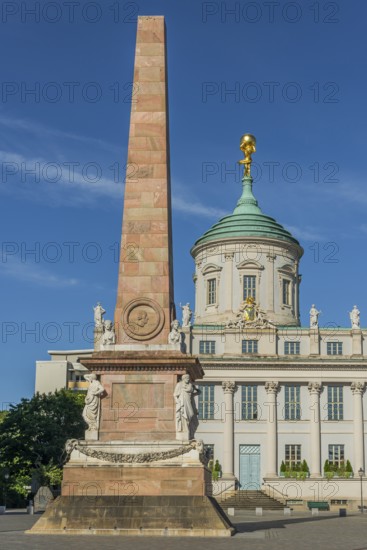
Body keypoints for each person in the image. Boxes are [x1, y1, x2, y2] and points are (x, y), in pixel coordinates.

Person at [173, 374, 200, 440]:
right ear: (183, 378)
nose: (188, 379)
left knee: (191, 414)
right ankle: (185, 430)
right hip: (182, 402)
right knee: (184, 415)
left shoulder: (190, 385)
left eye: (188, 378)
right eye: (186, 378)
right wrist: (177, 400)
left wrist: (196, 389)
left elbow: (196, 392)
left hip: (188, 402)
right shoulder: (179, 384)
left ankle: (189, 432)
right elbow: (175, 394)